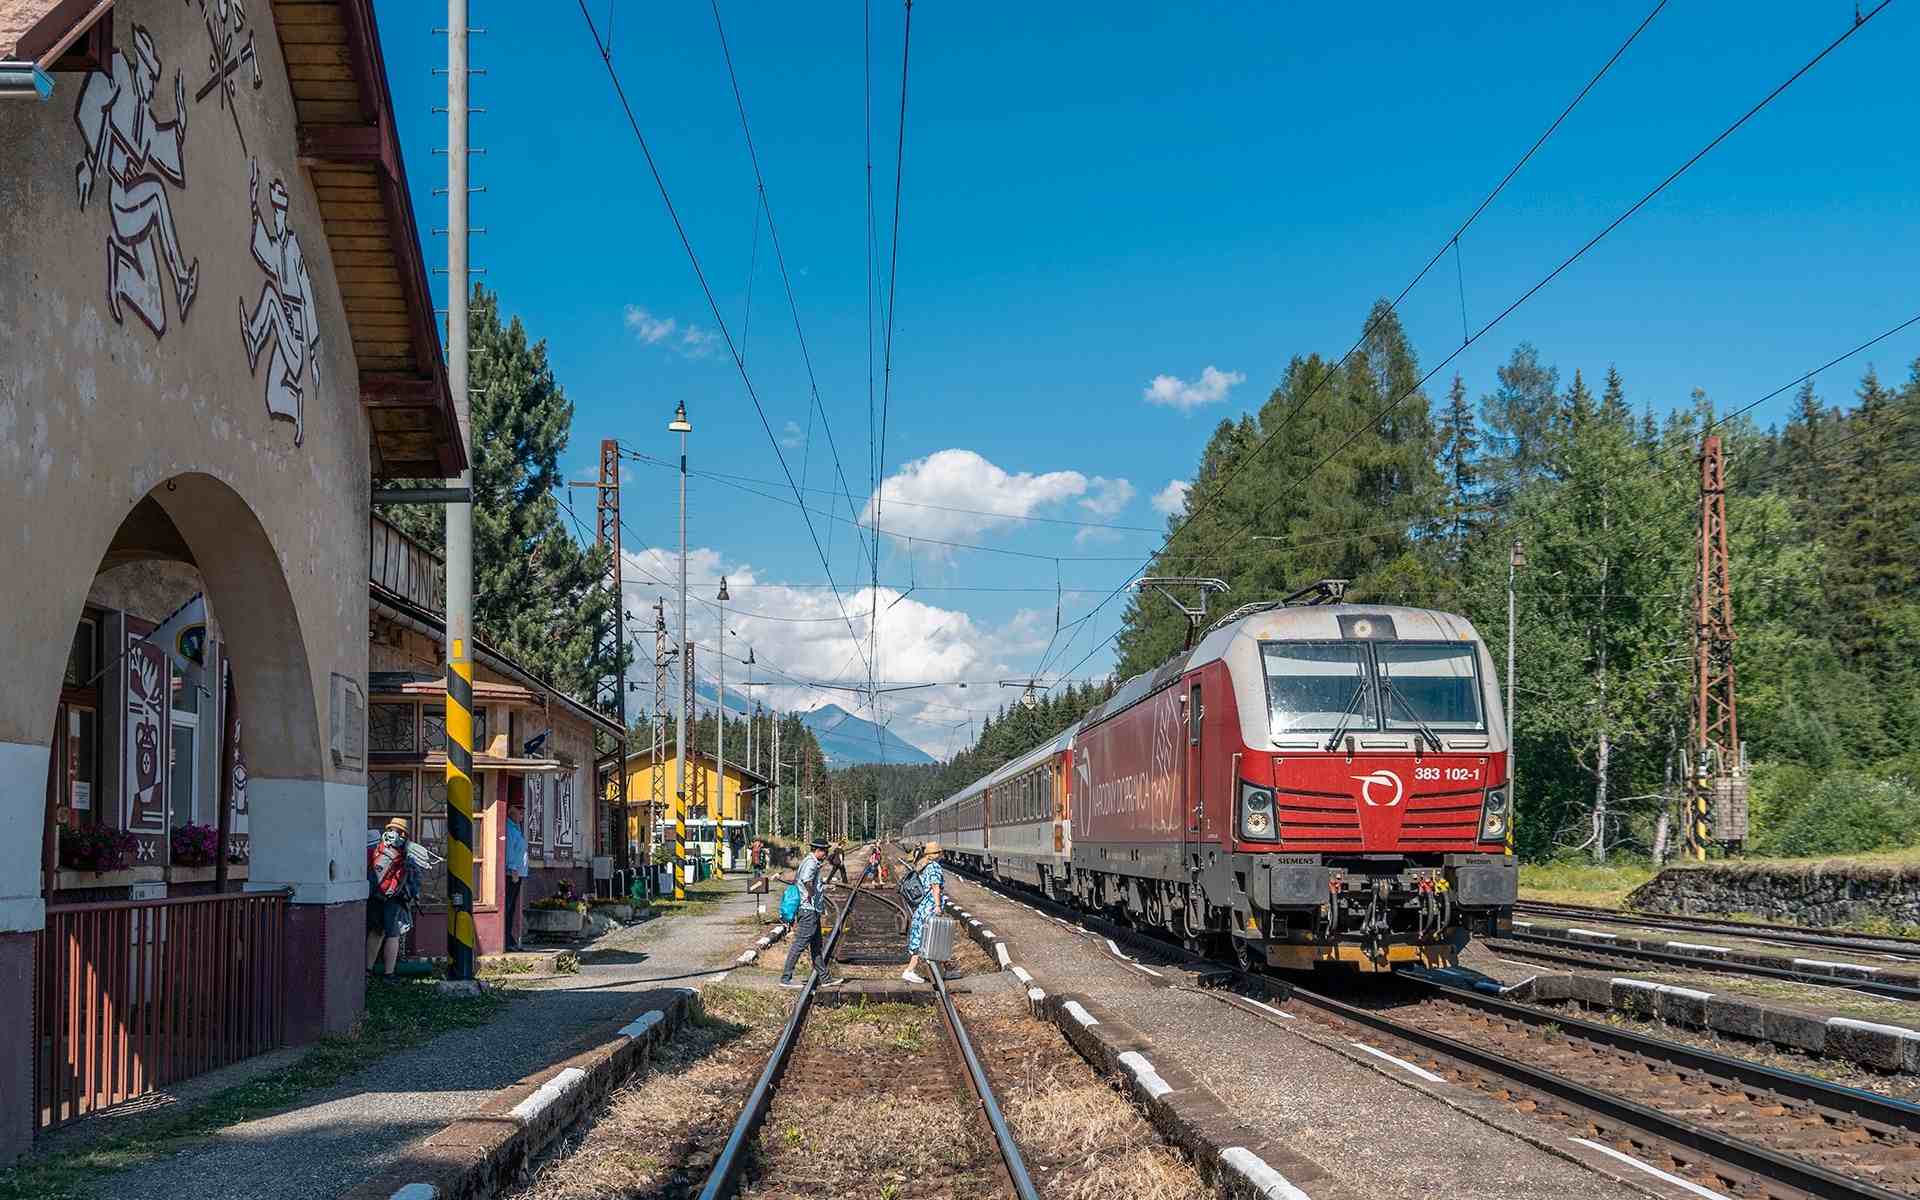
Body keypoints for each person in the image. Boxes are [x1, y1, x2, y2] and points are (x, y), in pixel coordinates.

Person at [778, 839, 843, 989]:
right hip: (808, 910)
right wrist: (812, 894)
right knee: (799, 945)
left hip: (812, 910)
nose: (826, 854)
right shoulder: (811, 863)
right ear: (817, 850)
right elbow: (807, 880)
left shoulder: (810, 862)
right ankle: (785, 979)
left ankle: (825, 978)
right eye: (824, 851)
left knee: (816, 946)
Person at [366, 817, 421, 980]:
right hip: (392, 898)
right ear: (404, 833)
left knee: (376, 932)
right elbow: (412, 878)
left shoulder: (377, 847)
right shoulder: (406, 852)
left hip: (374, 895)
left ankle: (367, 970)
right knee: (392, 934)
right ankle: (389, 973)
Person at [901, 841, 945, 985]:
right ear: (937, 854)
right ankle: (909, 971)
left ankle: (938, 971)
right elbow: (935, 887)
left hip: (922, 907)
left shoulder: (924, 865)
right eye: (940, 852)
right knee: (925, 939)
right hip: (930, 907)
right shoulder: (934, 867)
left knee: (927, 939)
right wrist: (938, 906)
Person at [505, 797, 529, 952]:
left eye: (522, 812)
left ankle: (510, 938)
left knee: (512, 907)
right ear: (511, 811)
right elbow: (509, 850)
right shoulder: (509, 828)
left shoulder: (516, 828)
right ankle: (507, 939)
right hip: (511, 874)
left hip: (518, 873)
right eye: (519, 811)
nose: (522, 814)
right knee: (508, 907)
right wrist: (513, 869)